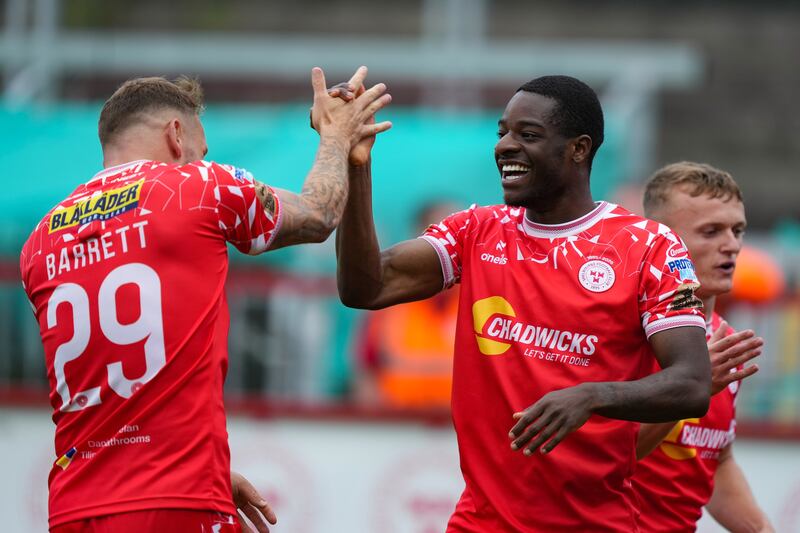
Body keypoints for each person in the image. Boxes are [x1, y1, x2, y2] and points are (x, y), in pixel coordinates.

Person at [332, 75, 712, 531]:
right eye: (502, 133)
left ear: (579, 149)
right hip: (481, 521)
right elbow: (365, 288)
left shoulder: (647, 246)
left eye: (527, 135)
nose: (505, 147)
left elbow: (692, 383)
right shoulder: (475, 232)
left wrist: (593, 397)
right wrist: (354, 165)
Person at [20, 67, 391, 532]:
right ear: (177, 135)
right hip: (178, 499)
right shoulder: (199, 186)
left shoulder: (39, 243)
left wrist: (208, 469)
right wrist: (336, 137)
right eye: (201, 147)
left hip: (74, 507)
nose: (201, 156)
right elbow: (318, 214)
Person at [634, 162, 774, 532]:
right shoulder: (625, 333)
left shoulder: (724, 339)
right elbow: (597, 459)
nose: (731, 244)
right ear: (663, 239)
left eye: (737, 229)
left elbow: (717, 458)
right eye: (711, 231)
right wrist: (691, 386)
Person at [353, 201, 460, 409]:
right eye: (442, 240)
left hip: (458, 427)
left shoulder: (480, 299)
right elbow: (365, 368)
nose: (451, 249)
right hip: (399, 427)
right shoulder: (389, 300)